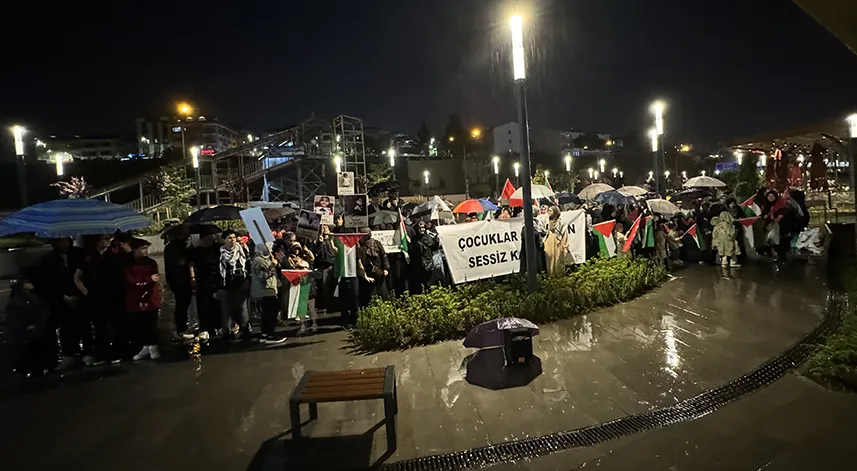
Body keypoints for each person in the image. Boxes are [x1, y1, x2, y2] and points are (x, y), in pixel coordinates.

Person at [125, 238, 162, 361]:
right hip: (135, 298)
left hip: (151, 297)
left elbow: (155, 277)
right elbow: (131, 280)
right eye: (142, 248)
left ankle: (152, 346)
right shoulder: (127, 264)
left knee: (151, 323)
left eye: (146, 248)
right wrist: (147, 280)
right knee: (139, 324)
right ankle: (144, 347)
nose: (145, 251)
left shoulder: (150, 263)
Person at [6, 277, 51, 378]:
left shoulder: (33, 297)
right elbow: (13, 319)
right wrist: (25, 327)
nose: (30, 284)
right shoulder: (17, 301)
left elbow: (43, 311)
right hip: (27, 333)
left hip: (33, 331)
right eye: (27, 282)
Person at [218, 229, 251, 342]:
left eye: (233, 238)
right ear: (224, 240)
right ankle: (226, 333)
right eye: (229, 238)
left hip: (241, 283)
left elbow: (248, 264)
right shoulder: (220, 253)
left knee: (242, 308)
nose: (232, 240)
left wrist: (248, 280)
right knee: (226, 309)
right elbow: (217, 271)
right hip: (226, 285)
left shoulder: (242, 250)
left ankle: (245, 330)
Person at [251, 242, 287, 344]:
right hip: (265, 290)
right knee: (269, 314)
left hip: (270, 289)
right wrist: (272, 266)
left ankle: (266, 333)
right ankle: (269, 334)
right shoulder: (259, 260)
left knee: (269, 313)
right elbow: (262, 276)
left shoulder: (265, 259)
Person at [189, 229, 220, 342]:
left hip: (216, 279)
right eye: (207, 238)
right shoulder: (196, 251)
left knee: (217, 304)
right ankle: (205, 328)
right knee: (203, 304)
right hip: (202, 280)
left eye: (211, 238)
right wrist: (192, 278)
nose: (210, 240)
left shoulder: (217, 248)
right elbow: (191, 264)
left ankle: (217, 326)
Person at [164, 225, 194, 339]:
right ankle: (180, 328)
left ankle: (182, 326)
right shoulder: (173, 247)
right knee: (182, 304)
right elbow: (178, 263)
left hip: (180, 279)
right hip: (179, 280)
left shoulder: (179, 246)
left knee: (184, 303)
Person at [357, 227, 390, 306]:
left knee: (382, 292)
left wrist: (386, 268)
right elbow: (359, 261)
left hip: (379, 271)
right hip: (367, 272)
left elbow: (383, 255)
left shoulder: (377, 243)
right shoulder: (360, 246)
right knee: (368, 294)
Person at [544, 206, 569, 276]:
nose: (548, 212)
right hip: (548, 243)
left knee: (558, 261)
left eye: (551, 211)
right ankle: (550, 277)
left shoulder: (561, 222)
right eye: (548, 210)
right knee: (549, 260)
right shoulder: (546, 221)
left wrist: (564, 246)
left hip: (558, 243)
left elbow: (564, 235)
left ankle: (559, 279)